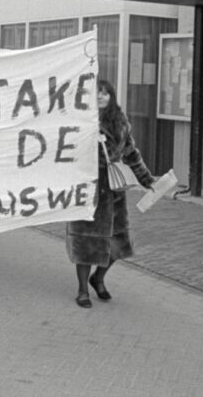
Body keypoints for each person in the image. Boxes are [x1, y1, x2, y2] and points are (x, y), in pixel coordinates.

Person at [66, 80, 155, 308]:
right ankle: (82, 290)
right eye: (97, 93)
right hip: (89, 188)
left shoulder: (121, 122)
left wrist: (146, 179)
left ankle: (99, 278)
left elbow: (131, 153)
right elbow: (66, 151)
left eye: (105, 93)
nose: (101, 97)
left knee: (117, 245)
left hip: (113, 191)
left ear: (112, 96)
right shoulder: (82, 120)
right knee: (86, 244)